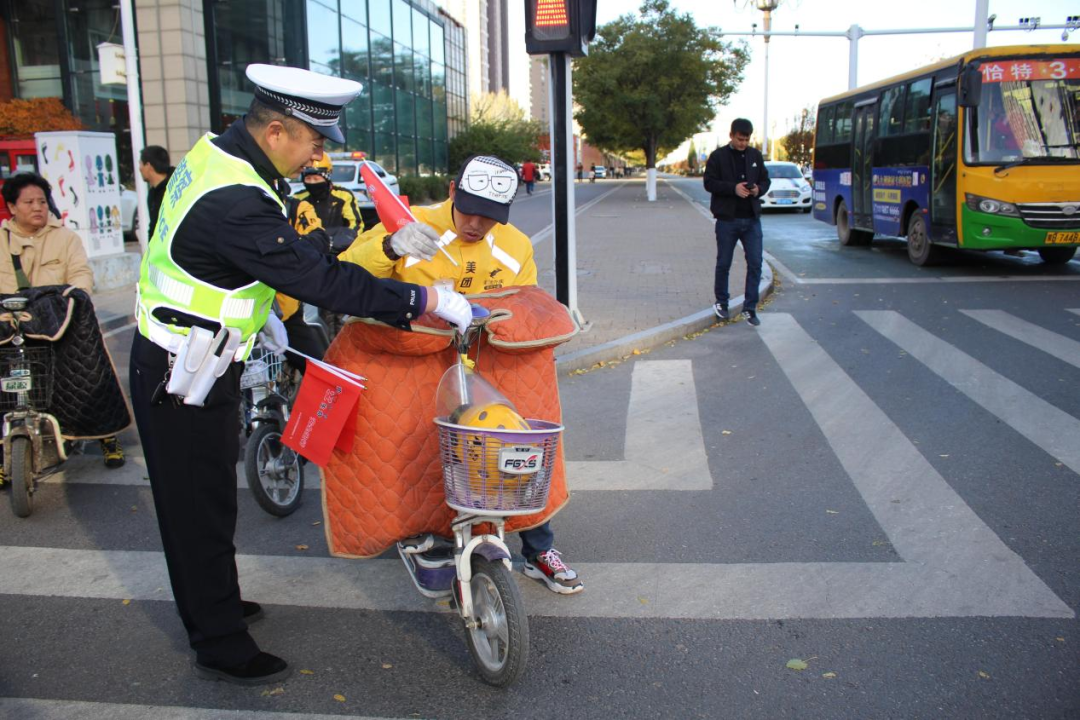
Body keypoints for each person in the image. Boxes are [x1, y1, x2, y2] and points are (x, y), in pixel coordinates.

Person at [129, 63, 473, 686]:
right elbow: (314, 278)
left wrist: (383, 250)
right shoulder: (236, 197)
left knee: (207, 498)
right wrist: (422, 302)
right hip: (180, 370)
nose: (320, 154)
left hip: (203, 352)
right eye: (315, 142)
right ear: (278, 130)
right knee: (193, 508)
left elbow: (287, 254)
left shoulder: (223, 158)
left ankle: (218, 603)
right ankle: (218, 642)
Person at [340, 154, 584, 595]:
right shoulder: (412, 223)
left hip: (490, 361)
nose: (476, 223)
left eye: (490, 216)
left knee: (521, 441)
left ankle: (537, 546)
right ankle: (426, 535)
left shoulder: (514, 245)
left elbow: (526, 300)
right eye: (470, 209)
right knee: (417, 444)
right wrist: (391, 247)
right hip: (418, 359)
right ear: (453, 190)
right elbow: (348, 273)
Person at [1, 172, 126, 469]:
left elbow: (81, 275)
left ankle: (107, 435)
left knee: (89, 366)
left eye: (42, 201)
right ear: (11, 207)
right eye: (29, 202)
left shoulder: (65, 238)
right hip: (12, 324)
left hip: (59, 320)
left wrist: (76, 296)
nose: (37, 207)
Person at [703, 118, 771, 327]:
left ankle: (750, 308)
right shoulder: (718, 157)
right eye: (740, 139)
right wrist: (733, 188)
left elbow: (765, 180)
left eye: (747, 139)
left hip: (751, 219)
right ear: (731, 135)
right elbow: (709, 183)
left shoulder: (755, 156)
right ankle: (721, 302)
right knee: (724, 262)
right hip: (727, 219)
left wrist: (759, 189)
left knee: (755, 263)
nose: (743, 143)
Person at [139, 145, 174, 238]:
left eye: (141, 164)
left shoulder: (175, 187)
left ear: (148, 166)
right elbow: (154, 227)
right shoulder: (152, 193)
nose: (140, 169)